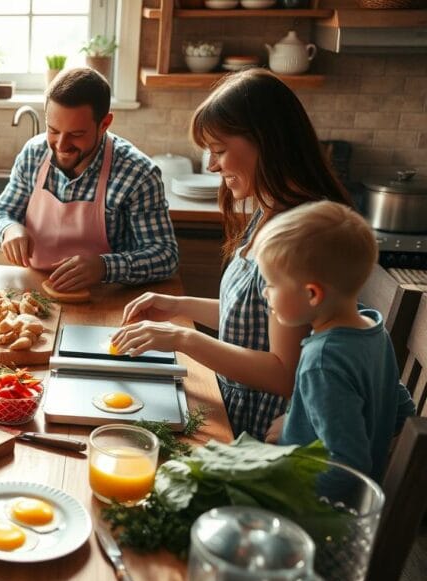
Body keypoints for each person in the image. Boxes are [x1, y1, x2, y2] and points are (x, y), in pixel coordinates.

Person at [112, 69, 353, 440]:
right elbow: (256, 321)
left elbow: (282, 371)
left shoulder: (300, 236)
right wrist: (179, 306)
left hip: (264, 438)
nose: (211, 165)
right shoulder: (269, 210)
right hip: (233, 407)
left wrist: (183, 339)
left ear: (266, 142)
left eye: (220, 150)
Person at [252, 202, 413, 481]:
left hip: (321, 511)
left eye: (272, 285)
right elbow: (401, 410)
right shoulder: (372, 330)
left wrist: (287, 470)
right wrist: (293, 423)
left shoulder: (322, 361)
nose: (265, 294)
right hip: (358, 496)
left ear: (312, 295)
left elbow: (346, 467)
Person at [0, 67, 178, 291]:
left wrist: (105, 267)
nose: (61, 145)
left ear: (105, 124)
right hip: (35, 291)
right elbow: (1, 211)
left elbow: (166, 255)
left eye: (76, 135)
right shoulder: (34, 154)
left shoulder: (137, 173)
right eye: (53, 130)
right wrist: (8, 228)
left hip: (105, 299)